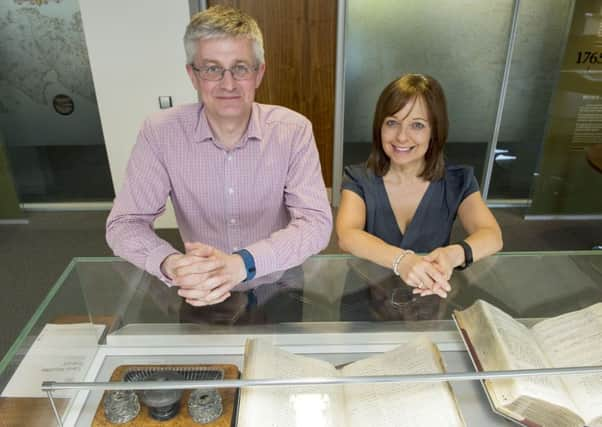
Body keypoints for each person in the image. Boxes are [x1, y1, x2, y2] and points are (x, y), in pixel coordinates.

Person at [106, 6, 332, 308]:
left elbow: (316, 223)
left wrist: (243, 263)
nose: (228, 84)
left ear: (259, 73)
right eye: (212, 68)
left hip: (277, 284)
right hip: (199, 287)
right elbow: (125, 223)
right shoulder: (159, 133)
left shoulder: (293, 131)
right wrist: (172, 264)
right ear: (193, 75)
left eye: (240, 67)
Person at [336, 74, 502, 299]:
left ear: (435, 131)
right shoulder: (358, 177)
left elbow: (492, 236)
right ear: (379, 127)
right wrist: (402, 261)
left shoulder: (458, 180)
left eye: (417, 125)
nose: (402, 137)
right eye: (392, 123)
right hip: (365, 295)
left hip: (427, 295)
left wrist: (453, 255)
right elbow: (347, 236)